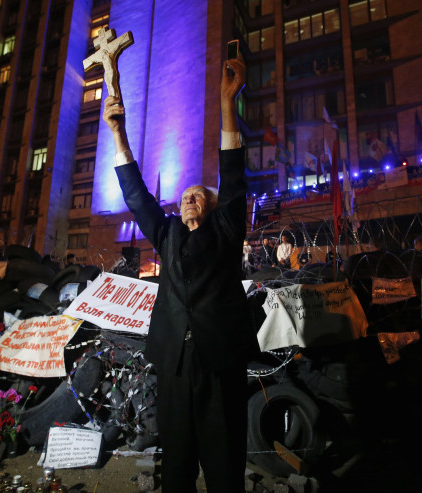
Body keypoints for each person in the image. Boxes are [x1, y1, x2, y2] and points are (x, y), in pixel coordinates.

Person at [102, 55, 257, 493]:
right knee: (177, 467)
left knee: (224, 466)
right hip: (174, 363)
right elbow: (136, 197)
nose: (189, 197)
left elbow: (232, 176)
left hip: (218, 361)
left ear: (210, 206)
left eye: (198, 195)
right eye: (185, 194)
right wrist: (118, 132)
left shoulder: (225, 230)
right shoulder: (167, 233)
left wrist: (228, 103)